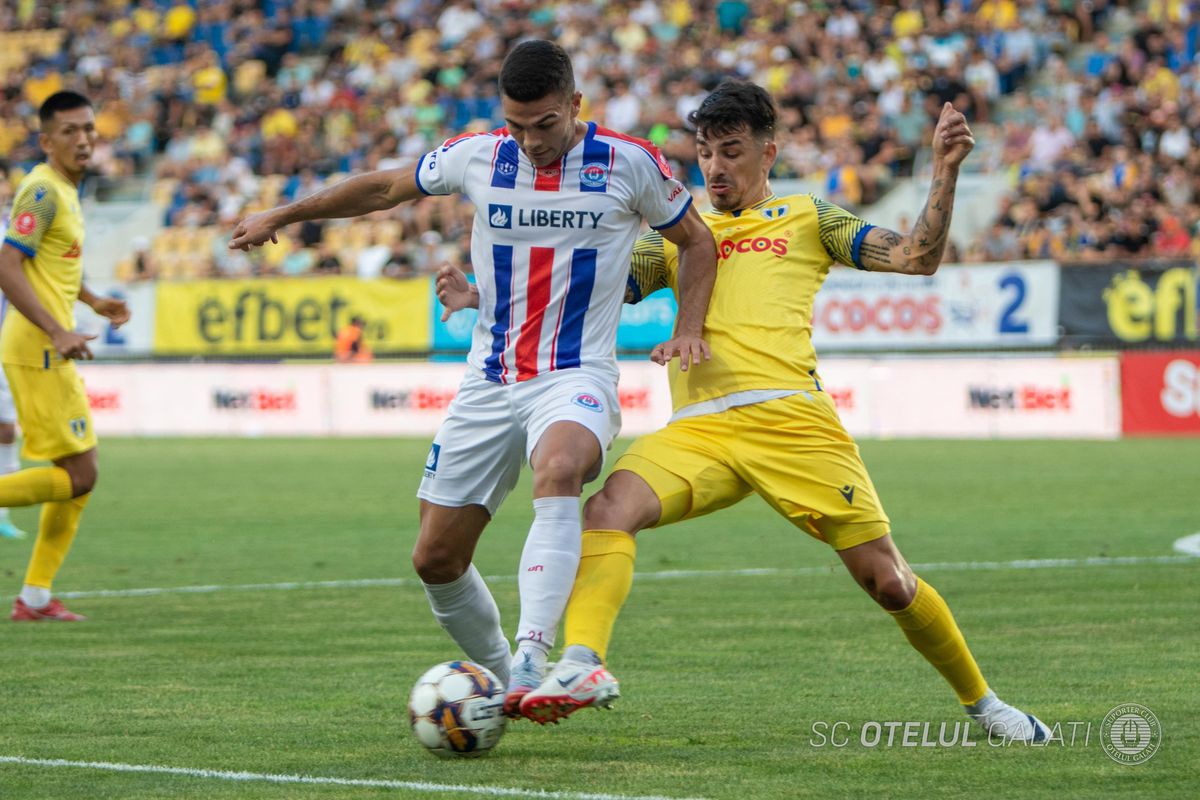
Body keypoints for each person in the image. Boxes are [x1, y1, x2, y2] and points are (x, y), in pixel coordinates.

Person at [459, 80, 1047, 741]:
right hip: (699, 430)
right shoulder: (679, 236)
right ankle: (582, 662)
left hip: (791, 422)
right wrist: (480, 292)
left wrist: (943, 170)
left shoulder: (809, 217)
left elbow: (916, 258)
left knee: (889, 584)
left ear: (768, 153)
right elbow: (569, 289)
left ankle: (987, 707)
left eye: (731, 151)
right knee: (605, 511)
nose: (714, 167)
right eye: (705, 152)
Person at [230, 40, 717, 714]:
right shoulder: (479, 155)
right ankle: (499, 685)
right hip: (488, 380)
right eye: (516, 125)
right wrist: (282, 214)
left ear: (575, 106)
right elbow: (382, 188)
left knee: (562, 465)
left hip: (575, 372)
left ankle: (530, 658)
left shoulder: (629, 163)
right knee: (435, 559)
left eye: (544, 125)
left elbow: (697, 240)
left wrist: (686, 326)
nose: (530, 141)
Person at [0, 91, 131, 620]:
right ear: (46, 139)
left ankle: (34, 596)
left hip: (48, 346)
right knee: (80, 475)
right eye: (70, 131)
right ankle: (33, 595)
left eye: (89, 129)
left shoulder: (65, 191)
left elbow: (49, 268)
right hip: (40, 347)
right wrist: (58, 329)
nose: (83, 139)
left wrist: (93, 299)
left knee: (79, 475)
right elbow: (7, 267)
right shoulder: (42, 191)